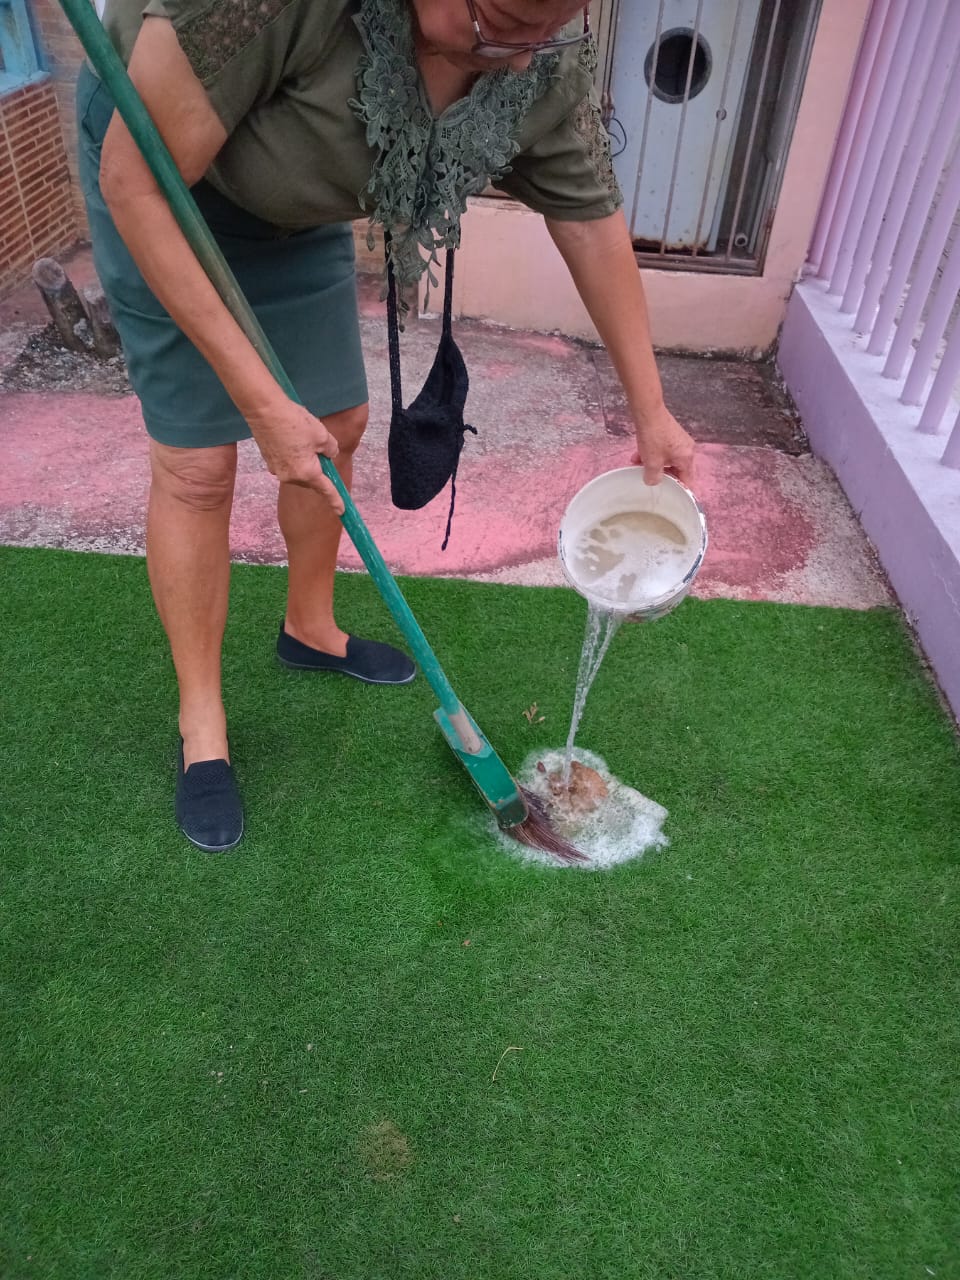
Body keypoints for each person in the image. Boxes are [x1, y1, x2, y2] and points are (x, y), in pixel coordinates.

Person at [78, 0, 696, 853]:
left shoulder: (537, 56)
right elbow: (136, 186)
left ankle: (309, 628)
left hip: (294, 205)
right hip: (162, 188)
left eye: (544, 32)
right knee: (197, 466)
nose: (520, 58)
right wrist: (261, 404)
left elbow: (589, 219)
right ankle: (202, 724)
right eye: (501, 21)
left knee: (336, 421)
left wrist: (651, 409)